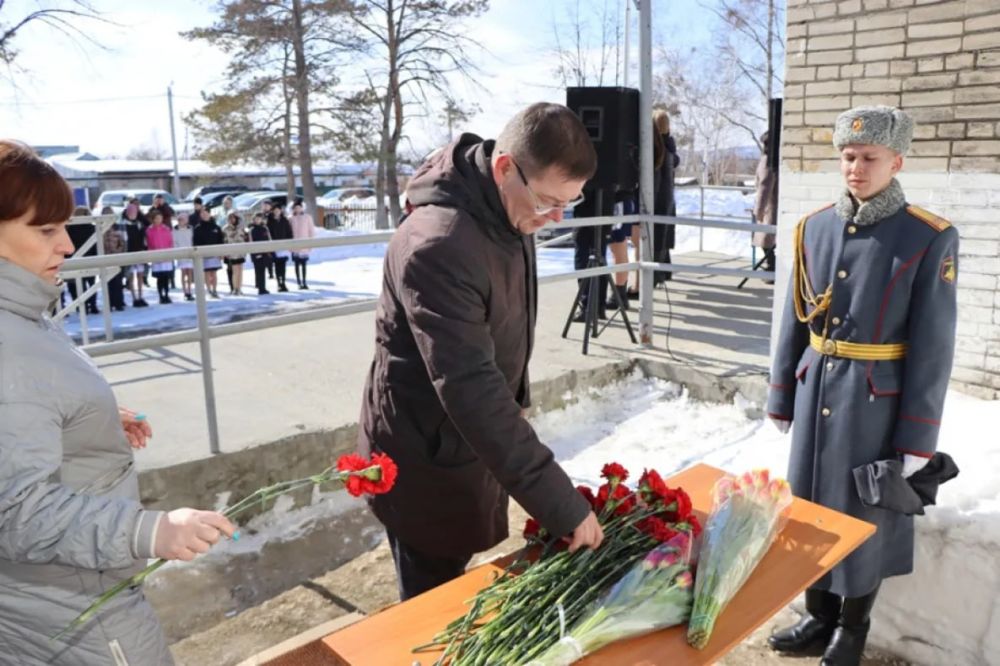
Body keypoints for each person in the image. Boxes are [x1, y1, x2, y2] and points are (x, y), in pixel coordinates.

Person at [0, 140, 236, 665]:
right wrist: (149, 530)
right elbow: (15, 511)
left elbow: (29, 406)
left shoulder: (20, 312)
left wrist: (91, 420)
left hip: (63, 593)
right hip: (70, 610)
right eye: (44, 230)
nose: (66, 244)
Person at [358, 103, 602, 601]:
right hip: (422, 454)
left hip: (465, 440)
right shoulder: (439, 244)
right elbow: (470, 387)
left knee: (455, 572)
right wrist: (560, 502)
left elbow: (510, 318)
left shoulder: (509, 211)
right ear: (504, 167)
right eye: (549, 202)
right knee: (433, 602)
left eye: (568, 205)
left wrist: (519, 395)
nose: (555, 219)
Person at [766, 106, 958, 666]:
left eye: (869, 157)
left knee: (863, 513)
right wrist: (782, 392)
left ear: (896, 161)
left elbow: (933, 345)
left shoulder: (927, 238)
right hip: (816, 387)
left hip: (877, 402)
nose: (856, 167)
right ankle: (818, 613)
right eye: (848, 156)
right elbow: (795, 319)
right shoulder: (814, 228)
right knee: (808, 504)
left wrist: (918, 435)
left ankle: (853, 626)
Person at [753, 130, 778, 277]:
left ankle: (771, 267)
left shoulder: (768, 160)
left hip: (769, 206)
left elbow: (764, 185)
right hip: (772, 205)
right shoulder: (773, 159)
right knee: (768, 239)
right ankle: (771, 266)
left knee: (766, 240)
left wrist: (759, 210)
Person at [193, 208, 224, 298]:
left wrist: (221, 253)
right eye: (202, 213)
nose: (204, 215)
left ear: (210, 214)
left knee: (214, 273)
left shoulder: (216, 227)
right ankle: (209, 290)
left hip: (215, 253)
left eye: (206, 213)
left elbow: (220, 241)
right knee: (206, 273)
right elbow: (195, 242)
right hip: (204, 255)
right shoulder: (198, 228)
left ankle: (214, 290)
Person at [122, 201, 149, 307]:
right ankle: (134, 298)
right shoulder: (123, 224)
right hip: (129, 253)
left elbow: (144, 238)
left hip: (140, 252)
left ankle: (141, 296)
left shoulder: (139, 223)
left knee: (140, 275)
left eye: (135, 212)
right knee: (131, 276)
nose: (133, 214)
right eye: (131, 212)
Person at [102, 209, 128, 311]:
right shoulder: (99, 229)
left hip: (117, 259)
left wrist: (118, 251)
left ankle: (119, 303)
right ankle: (109, 303)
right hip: (104, 260)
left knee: (118, 282)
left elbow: (123, 243)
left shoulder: (118, 227)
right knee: (108, 283)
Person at [146, 210, 174, 304]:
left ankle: (166, 294)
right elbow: (149, 244)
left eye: (160, 218)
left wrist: (171, 254)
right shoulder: (149, 230)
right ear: (153, 219)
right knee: (160, 278)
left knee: (166, 278)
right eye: (157, 218)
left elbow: (170, 242)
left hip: (166, 256)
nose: (159, 220)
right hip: (156, 256)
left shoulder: (166, 229)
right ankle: (160, 296)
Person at [266, 201, 293, 292]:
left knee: (283, 265)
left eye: (279, 210)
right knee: (277, 266)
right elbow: (268, 233)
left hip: (284, 245)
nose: (277, 211)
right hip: (275, 245)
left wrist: (290, 243)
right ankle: (279, 283)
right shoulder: (269, 221)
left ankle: (283, 283)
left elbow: (289, 232)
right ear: (273, 211)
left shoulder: (284, 220)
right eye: (275, 210)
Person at [289, 200, 315, 289]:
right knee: (296, 264)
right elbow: (289, 232)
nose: (298, 209)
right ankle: (298, 282)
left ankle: (304, 281)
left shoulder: (307, 217)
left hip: (304, 244)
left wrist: (311, 242)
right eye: (296, 208)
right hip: (295, 244)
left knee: (304, 264)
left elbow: (311, 230)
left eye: (299, 207)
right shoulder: (291, 218)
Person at [222, 212, 248, 295]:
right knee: (235, 270)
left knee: (240, 270)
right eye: (230, 218)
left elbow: (245, 237)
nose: (232, 219)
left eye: (233, 217)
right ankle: (235, 288)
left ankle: (239, 288)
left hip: (241, 251)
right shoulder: (225, 229)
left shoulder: (241, 227)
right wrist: (225, 252)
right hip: (232, 252)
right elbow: (224, 241)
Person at [248, 213, 273, 295]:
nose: (258, 220)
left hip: (265, 252)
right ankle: (260, 287)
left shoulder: (265, 228)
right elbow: (251, 242)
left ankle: (262, 287)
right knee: (258, 270)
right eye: (256, 219)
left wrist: (269, 250)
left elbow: (269, 239)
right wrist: (255, 253)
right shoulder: (252, 230)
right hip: (256, 253)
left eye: (259, 219)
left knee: (263, 270)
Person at [173, 213, 195, 301]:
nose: (181, 221)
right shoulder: (175, 230)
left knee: (189, 273)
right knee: (183, 272)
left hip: (189, 253)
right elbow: (174, 242)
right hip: (181, 253)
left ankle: (189, 291)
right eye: (180, 220)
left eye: (183, 220)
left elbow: (193, 239)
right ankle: (184, 291)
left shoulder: (190, 229)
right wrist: (177, 251)